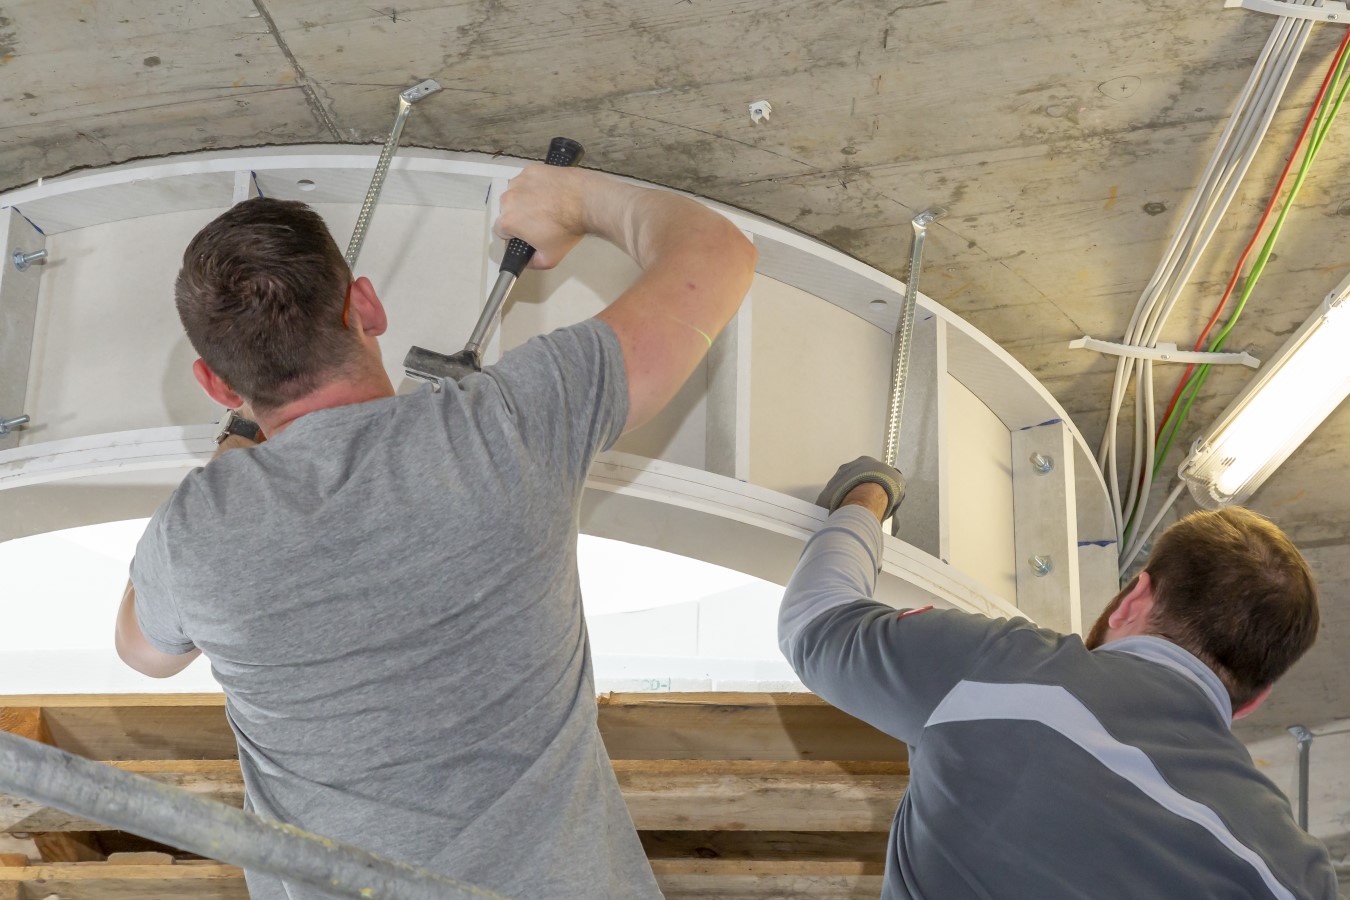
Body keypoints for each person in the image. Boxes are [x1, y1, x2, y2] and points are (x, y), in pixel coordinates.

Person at [113, 165, 756, 898]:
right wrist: (572, 201)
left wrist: (233, 458)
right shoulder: (506, 427)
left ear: (217, 384)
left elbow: (143, 653)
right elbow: (718, 254)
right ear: (366, 306)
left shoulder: (194, 535)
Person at [779, 456, 1338, 899]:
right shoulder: (1298, 876)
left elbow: (816, 621)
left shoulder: (1003, 670)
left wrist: (870, 492)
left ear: (1134, 599)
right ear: (1253, 700)